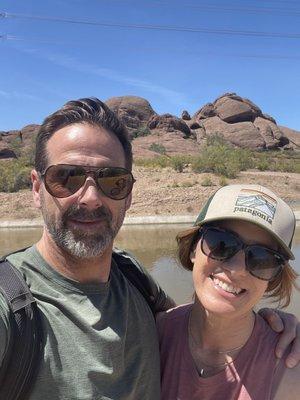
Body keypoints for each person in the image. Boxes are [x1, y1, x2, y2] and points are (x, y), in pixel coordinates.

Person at [0, 98, 299, 400]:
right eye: (66, 177)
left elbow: (208, 315)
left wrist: (276, 326)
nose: (90, 196)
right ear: (37, 189)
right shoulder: (10, 307)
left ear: (128, 195)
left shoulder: (134, 279)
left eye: (113, 181)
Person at [157, 184, 300, 399]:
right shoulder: (152, 334)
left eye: (262, 258)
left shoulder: (289, 369)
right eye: (221, 243)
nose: (237, 269)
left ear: (273, 278)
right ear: (195, 247)